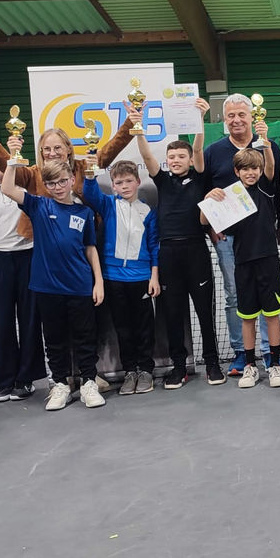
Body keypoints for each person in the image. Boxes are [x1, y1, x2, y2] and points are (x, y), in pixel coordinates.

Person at [0, 155, 106, 410]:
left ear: (71, 180)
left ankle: (88, 382)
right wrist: (12, 161)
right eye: (51, 184)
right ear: (45, 186)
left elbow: (90, 248)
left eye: (61, 182)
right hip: (47, 288)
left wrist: (98, 281)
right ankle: (60, 384)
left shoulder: (85, 212)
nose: (57, 187)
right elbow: (7, 188)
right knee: (55, 340)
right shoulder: (38, 206)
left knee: (85, 338)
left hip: (80, 286)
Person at [134, 101, 224, 386]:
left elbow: (199, 148)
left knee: (204, 312)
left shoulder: (199, 177)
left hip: (196, 251)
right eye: (171, 156)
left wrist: (199, 118)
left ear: (189, 159)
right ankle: (178, 366)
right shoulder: (161, 181)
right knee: (172, 313)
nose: (175, 160)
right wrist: (138, 127)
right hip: (168, 253)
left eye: (180, 156)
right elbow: (146, 154)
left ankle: (212, 362)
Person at [205, 93, 278, 377]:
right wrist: (211, 224)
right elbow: (206, 191)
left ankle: (269, 353)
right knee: (235, 295)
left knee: (266, 298)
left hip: (261, 239)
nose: (236, 120)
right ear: (225, 120)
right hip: (228, 237)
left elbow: (276, 186)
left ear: (252, 117)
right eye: (231, 115)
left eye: (241, 114)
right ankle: (241, 354)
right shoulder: (213, 151)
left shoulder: (265, 146)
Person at [82, 160, 160, 394]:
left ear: (138, 182)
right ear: (113, 187)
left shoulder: (148, 212)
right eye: (119, 182)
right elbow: (90, 192)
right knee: (123, 328)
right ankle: (130, 372)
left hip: (141, 278)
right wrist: (89, 172)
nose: (124, 186)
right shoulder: (107, 205)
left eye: (128, 181)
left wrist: (153, 277)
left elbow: (154, 245)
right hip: (113, 278)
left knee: (144, 327)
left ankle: (146, 371)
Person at [0, 145, 44, 402]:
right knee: (2, 322)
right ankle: (4, 380)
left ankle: (25, 380)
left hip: (29, 256)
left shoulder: (25, 181)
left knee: (29, 319)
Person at [0, 98, 131, 198]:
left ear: (68, 149)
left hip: (82, 242)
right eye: (47, 149)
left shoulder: (83, 168)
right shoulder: (32, 175)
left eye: (57, 148)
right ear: (41, 152)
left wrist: (132, 121)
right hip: (46, 243)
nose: (52, 153)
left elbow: (111, 150)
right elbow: (6, 165)